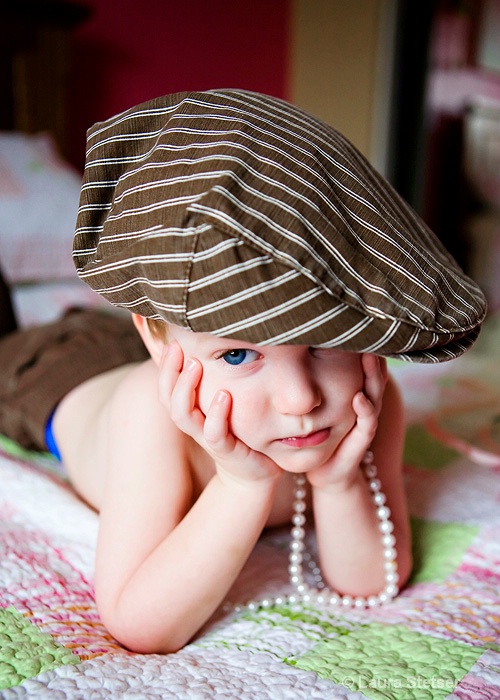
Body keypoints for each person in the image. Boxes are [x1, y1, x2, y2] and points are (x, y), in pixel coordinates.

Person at [0, 90, 487, 654]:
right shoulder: (150, 416)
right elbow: (140, 623)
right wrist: (242, 484)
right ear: (155, 339)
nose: (299, 398)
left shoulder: (365, 405)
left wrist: (339, 481)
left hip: (168, 348)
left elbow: (371, 584)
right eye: (239, 354)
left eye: (325, 341)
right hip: (60, 371)